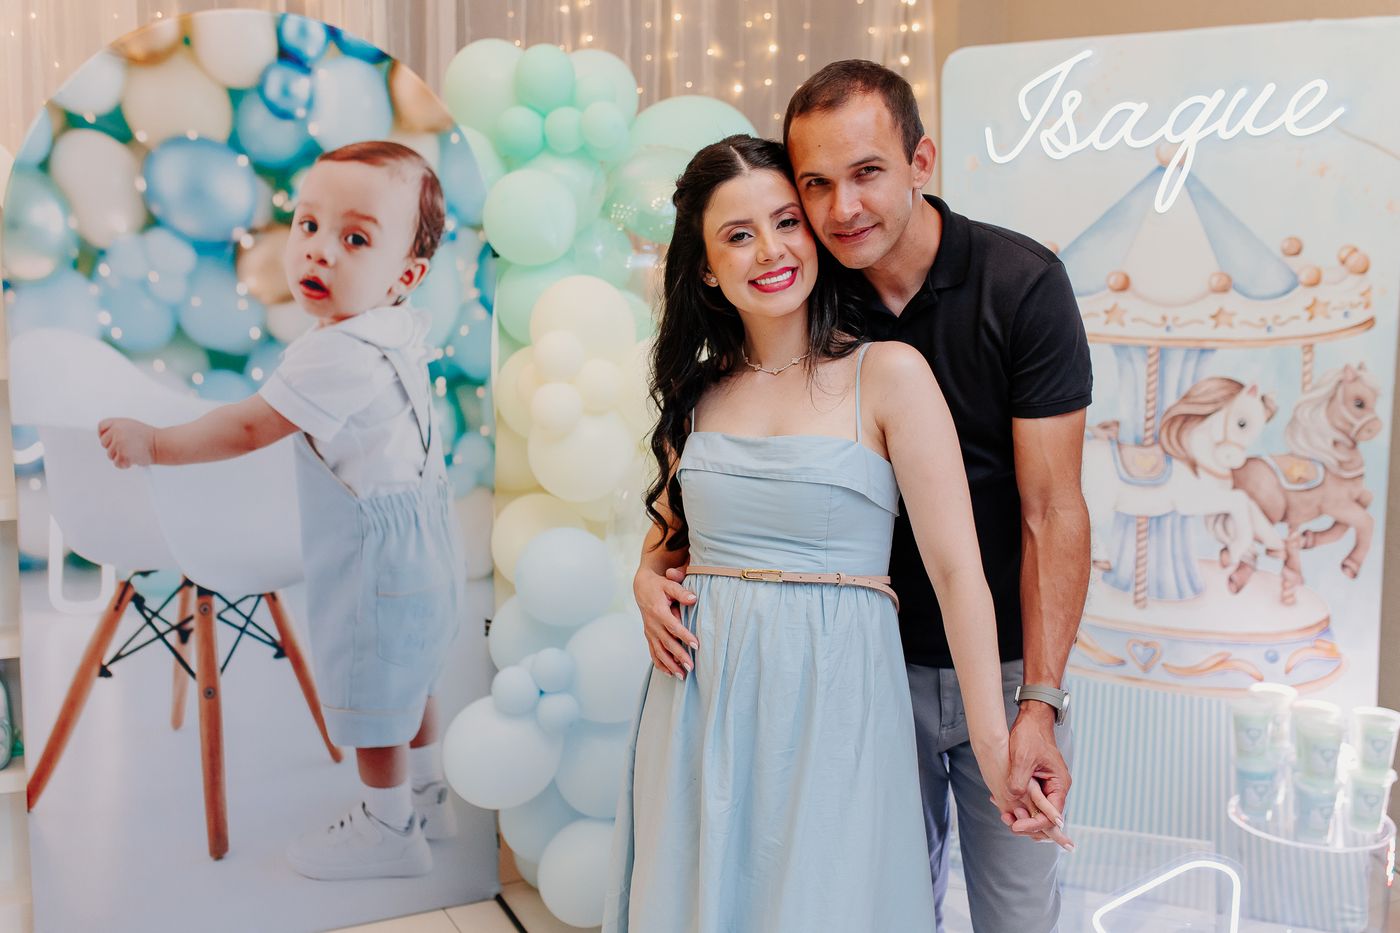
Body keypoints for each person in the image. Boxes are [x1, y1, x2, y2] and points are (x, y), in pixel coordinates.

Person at [638, 61, 1091, 932]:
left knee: (1015, 907)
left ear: (921, 162)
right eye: (815, 186)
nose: (839, 209)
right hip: (859, 669)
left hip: (989, 657)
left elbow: (1051, 511)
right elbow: (701, 510)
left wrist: (1033, 704)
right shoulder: (804, 289)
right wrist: (647, 572)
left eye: (867, 173)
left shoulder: (1014, 286)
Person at [97, 141, 464, 881]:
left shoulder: (335, 353)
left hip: (374, 558)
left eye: (355, 239)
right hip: (426, 539)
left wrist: (156, 443)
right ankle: (428, 795)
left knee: (371, 695)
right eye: (308, 225)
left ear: (405, 275)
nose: (319, 250)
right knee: (412, 674)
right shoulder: (395, 328)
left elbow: (246, 428)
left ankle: (389, 829)